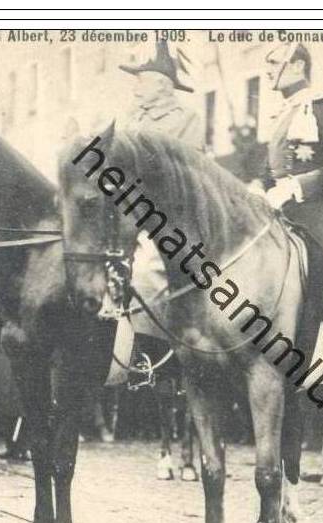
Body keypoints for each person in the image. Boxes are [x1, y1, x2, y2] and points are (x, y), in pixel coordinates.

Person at [119, 40, 201, 479]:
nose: (136, 89)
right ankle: (139, 354)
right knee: (131, 280)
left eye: (143, 81)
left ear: (162, 85)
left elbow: (180, 169)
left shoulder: (186, 118)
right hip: (137, 218)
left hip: (176, 216)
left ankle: (190, 445)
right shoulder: (130, 118)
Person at [262, 42, 323, 387]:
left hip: (316, 207)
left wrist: (297, 186)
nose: (268, 69)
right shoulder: (281, 116)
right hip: (279, 208)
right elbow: (270, 170)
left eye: (274, 61)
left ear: (298, 66)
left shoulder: (321, 107)